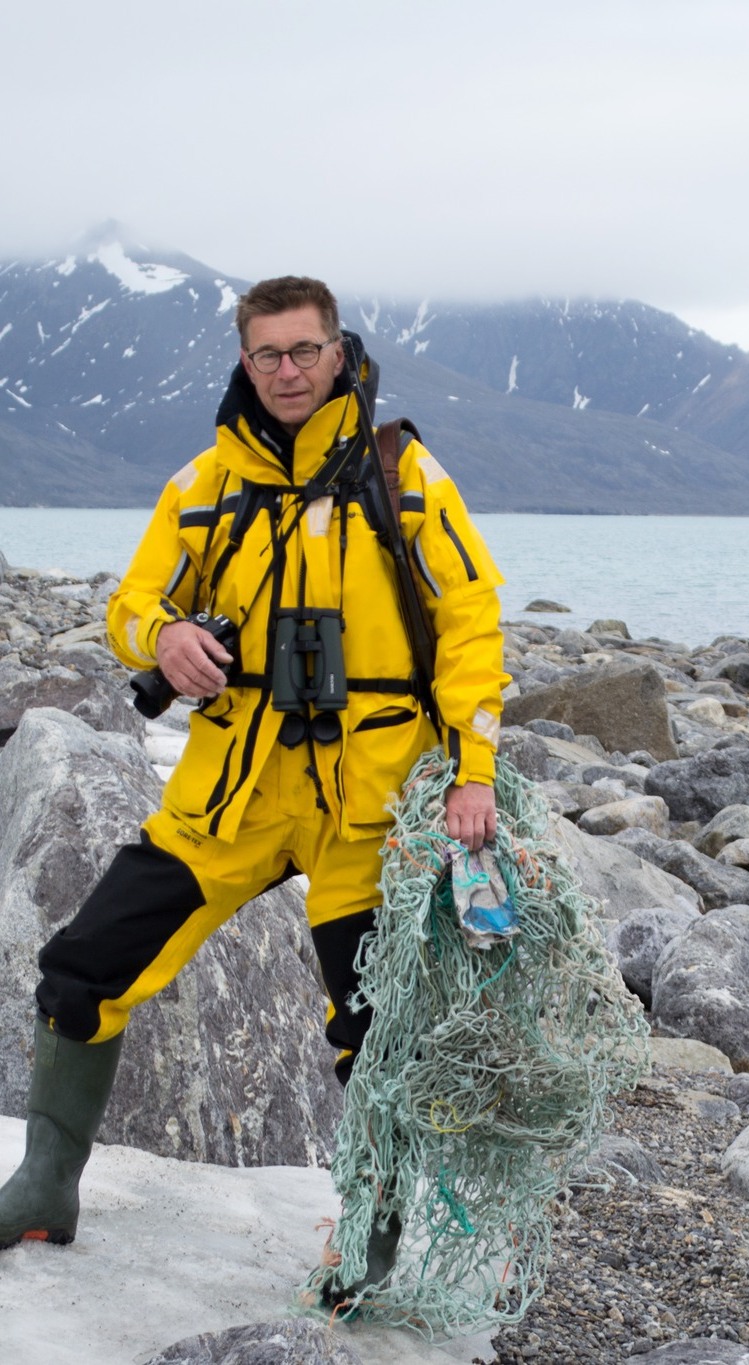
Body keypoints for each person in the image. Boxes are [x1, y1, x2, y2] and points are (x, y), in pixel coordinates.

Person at [0, 276, 508, 1274]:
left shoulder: (406, 475)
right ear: (245, 360)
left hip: (367, 811)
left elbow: (472, 625)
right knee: (81, 970)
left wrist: (474, 769)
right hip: (229, 800)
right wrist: (168, 635)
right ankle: (45, 1187)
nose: (287, 371)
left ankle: (371, 1235)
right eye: (268, 354)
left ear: (340, 352)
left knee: (375, 1029)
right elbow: (132, 606)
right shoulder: (204, 485)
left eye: (305, 351)